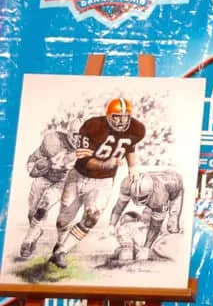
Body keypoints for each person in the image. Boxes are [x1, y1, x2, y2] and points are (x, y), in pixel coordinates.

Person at [49, 97, 145, 268]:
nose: (122, 121)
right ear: (108, 115)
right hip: (79, 175)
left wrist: (132, 167)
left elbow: (130, 146)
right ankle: (59, 242)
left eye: (125, 117)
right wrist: (105, 164)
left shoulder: (137, 128)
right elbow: (84, 159)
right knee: (63, 221)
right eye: (117, 116)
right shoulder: (93, 126)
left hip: (103, 182)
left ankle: (62, 252)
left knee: (92, 217)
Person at [19, 120, 79, 258]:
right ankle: (36, 233)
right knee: (32, 211)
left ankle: (28, 240)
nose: (78, 139)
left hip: (63, 182)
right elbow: (33, 158)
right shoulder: (53, 139)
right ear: (69, 133)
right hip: (45, 176)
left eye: (82, 136)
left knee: (45, 203)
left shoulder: (86, 148)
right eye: (76, 135)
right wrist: (34, 167)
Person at [108, 170, 184, 260]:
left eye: (142, 198)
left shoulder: (160, 197)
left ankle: (165, 246)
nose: (138, 201)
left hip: (174, 192)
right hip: (156, 185)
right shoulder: (127, 183)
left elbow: (155, 226)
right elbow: (119, 207)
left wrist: (146, 248)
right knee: (145, 219)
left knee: (171, 226)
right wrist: (112, 225)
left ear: (150, 193)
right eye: (134, 197)